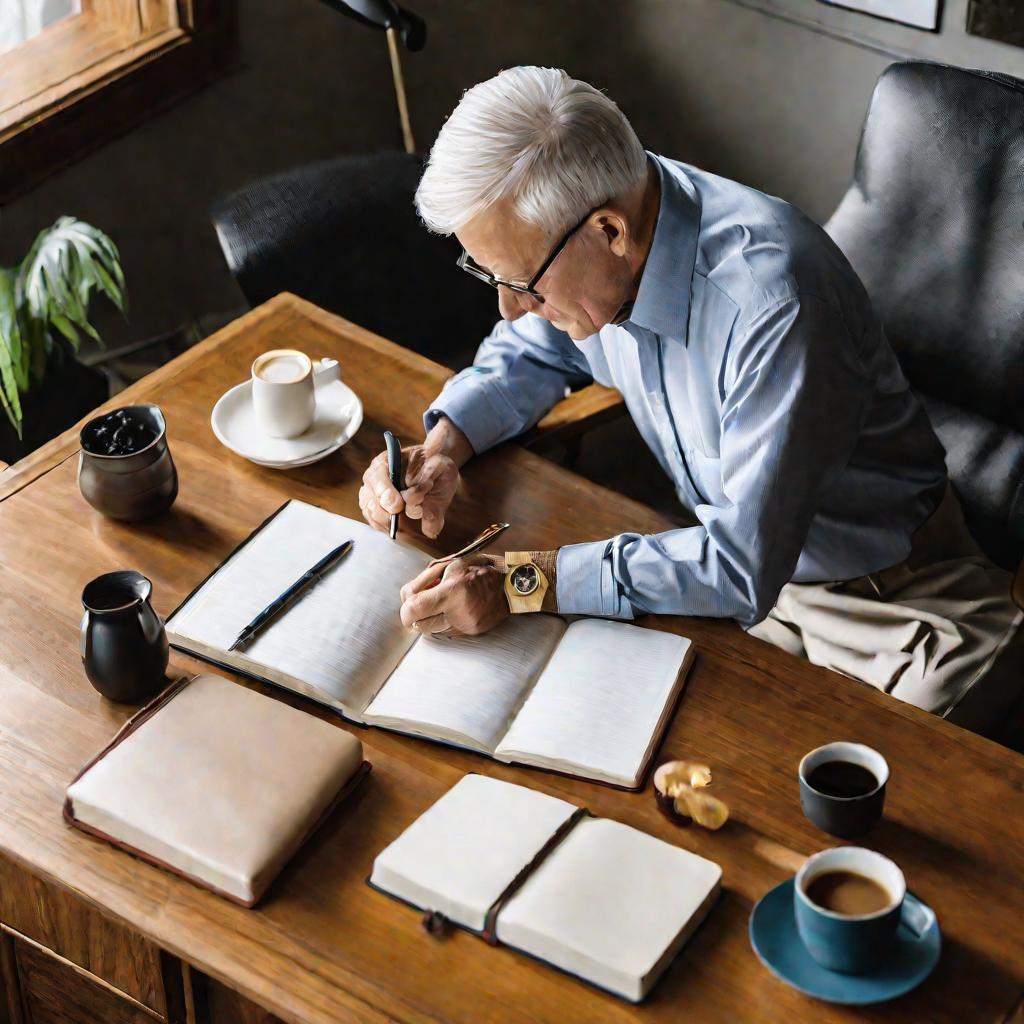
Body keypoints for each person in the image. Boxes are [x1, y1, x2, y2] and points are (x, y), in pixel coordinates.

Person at [359, 66, 1022, 732]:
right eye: (490, 275)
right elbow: (532, 348)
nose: (510, 309)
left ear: (609, 232)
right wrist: (446, 444)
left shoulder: (776, 306)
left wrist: (517, 582)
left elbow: (738, 568)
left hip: (889, 603)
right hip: (720, 570)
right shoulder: (611, 216)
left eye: (523, 282)